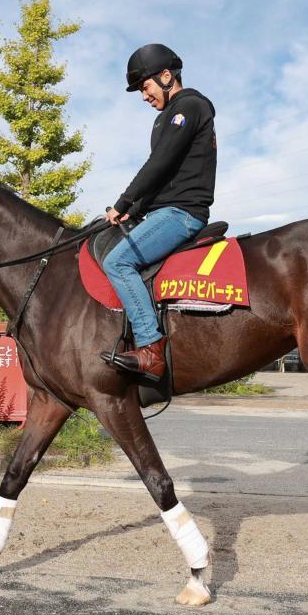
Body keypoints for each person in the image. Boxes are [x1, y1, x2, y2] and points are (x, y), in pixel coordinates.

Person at [101, 43, 217, 381]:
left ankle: (151, 348)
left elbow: (159, 164)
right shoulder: (167, 117)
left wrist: (124, 202)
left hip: (182, 214)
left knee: (118, 262)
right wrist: (131, 210)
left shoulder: (189, 107)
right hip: (163, 210)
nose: (143, 96)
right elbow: (163, 177)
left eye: (145, 86)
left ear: (166, 76)